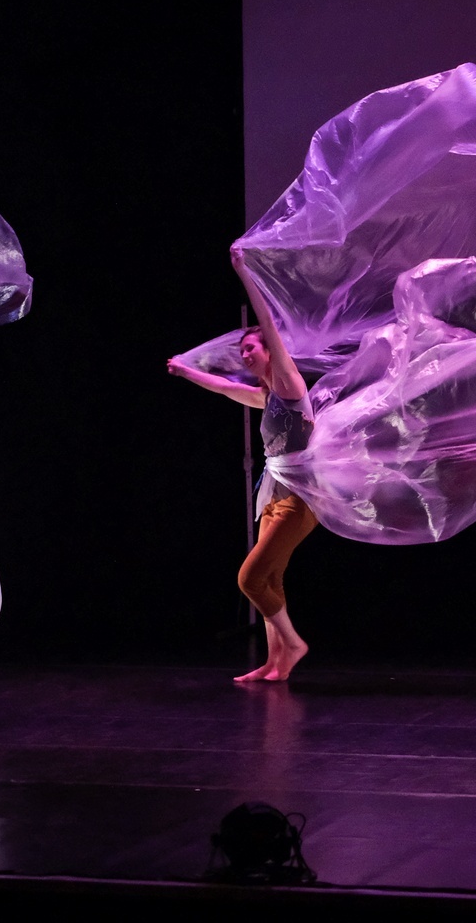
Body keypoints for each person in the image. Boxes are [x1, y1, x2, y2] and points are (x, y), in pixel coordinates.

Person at [168, 246, 318, 682]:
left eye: (250, 348)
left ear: (270, 351)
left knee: (249, 579)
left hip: (300, 501)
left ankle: (294, 644)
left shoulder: (289, 384)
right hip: (275, 497)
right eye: (243, 351)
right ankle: (276, 662)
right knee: (271, 578)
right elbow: (222, 387)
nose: (245, 355)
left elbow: (267, 322)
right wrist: (185, 371)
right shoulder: (266, 396)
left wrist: (242, 270)